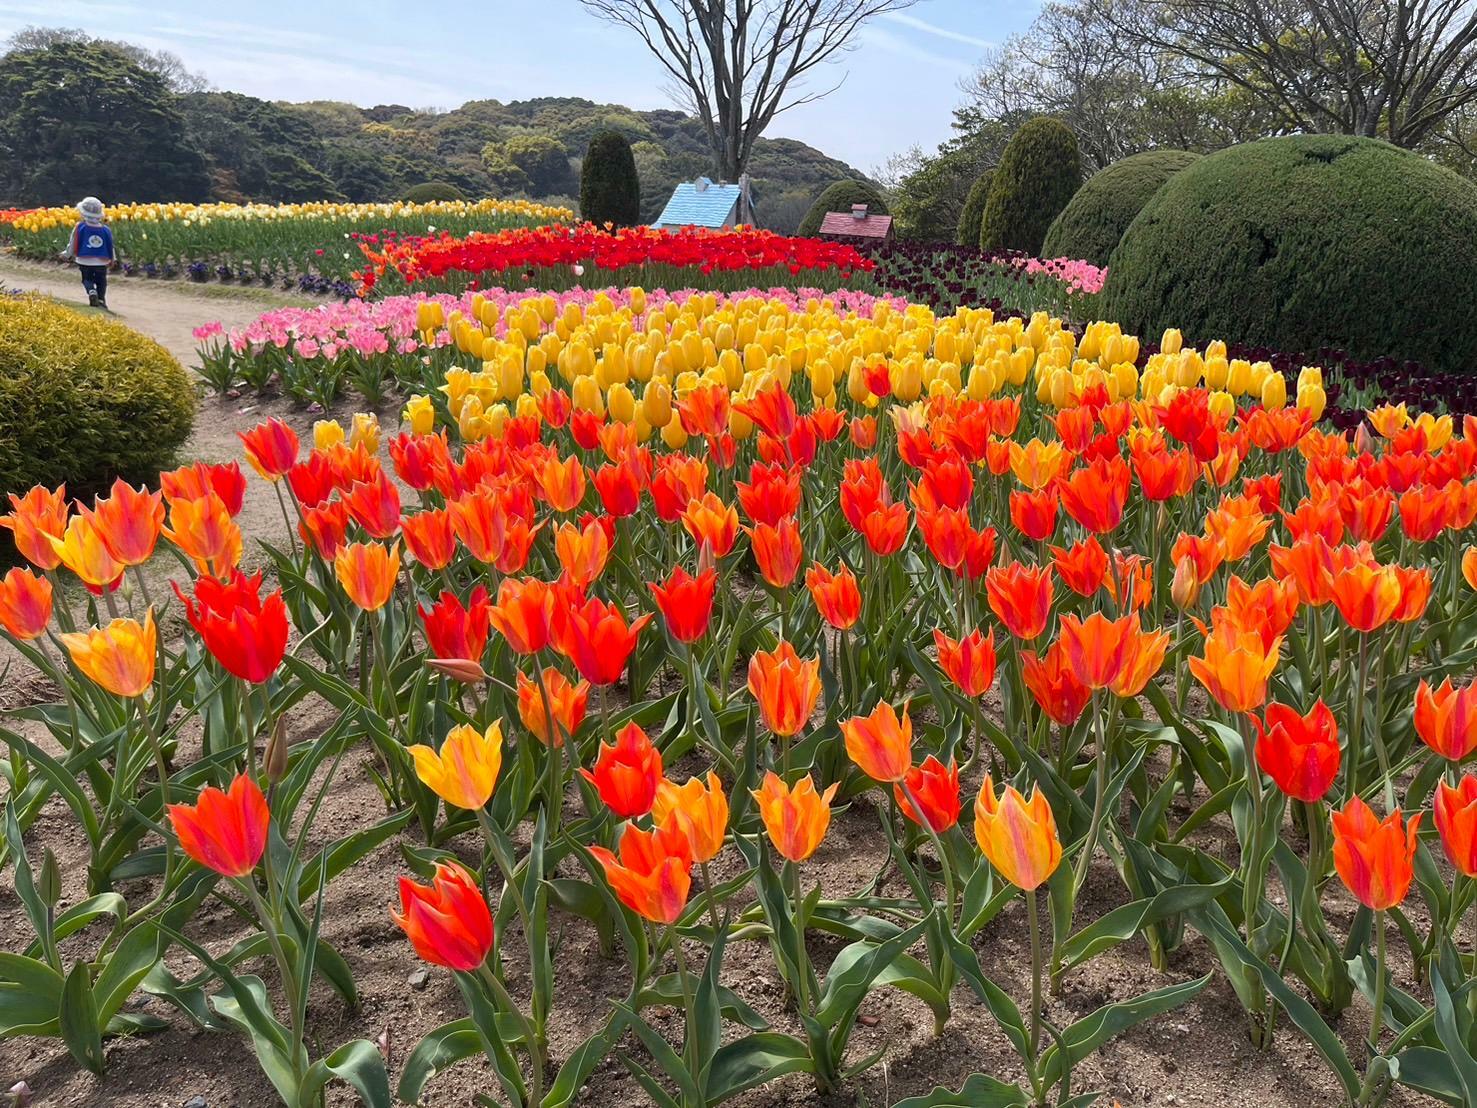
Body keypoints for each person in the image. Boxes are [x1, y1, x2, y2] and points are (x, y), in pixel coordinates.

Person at [63, 197, 115, 310]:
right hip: (102, 261)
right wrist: (112, 259)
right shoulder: (106, 230)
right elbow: (110, 245)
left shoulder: (80, 227)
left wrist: (67, 254)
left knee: (87, 279)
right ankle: (101, 299)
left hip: (84, 259)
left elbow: (73, 242)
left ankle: (91, 291)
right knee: (102, 281)